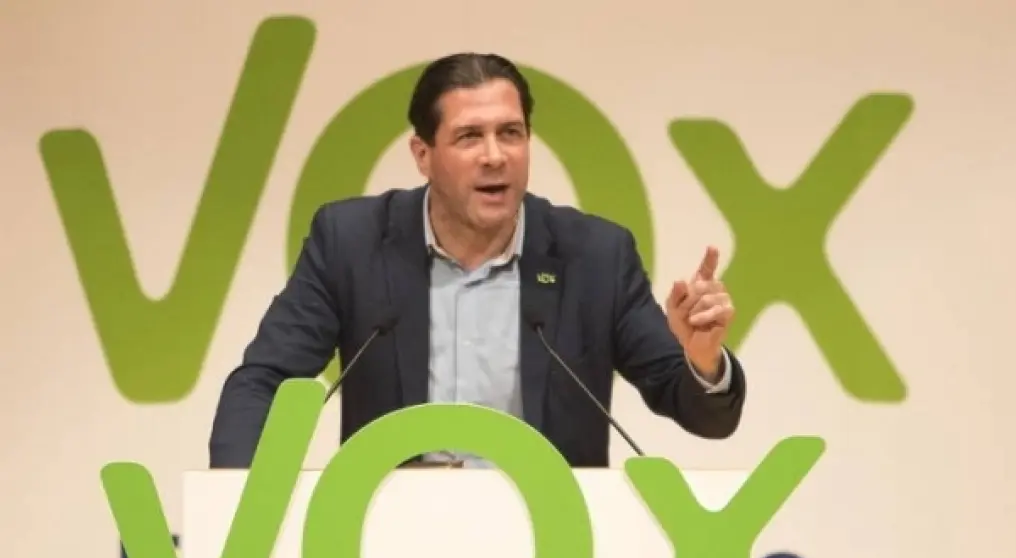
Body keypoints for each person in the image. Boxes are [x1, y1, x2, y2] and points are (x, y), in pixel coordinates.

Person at [207, 52, 746, 469]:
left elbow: (704, 414)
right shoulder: (351, 243)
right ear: (423, 155)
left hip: (553, 543)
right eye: (469, 137)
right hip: (388, 536)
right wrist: (237, 505)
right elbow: (266, 382)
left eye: (511, 133)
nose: (495, 156)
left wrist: (702, 361)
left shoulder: (596, 256)